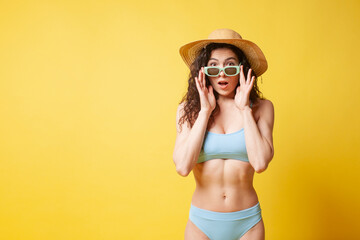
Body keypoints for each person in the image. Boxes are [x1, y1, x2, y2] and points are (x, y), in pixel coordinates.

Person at [173, 28, 275, 240]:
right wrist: (204, 112)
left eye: (230, 66)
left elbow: (260, 163)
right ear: (203, 72)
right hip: (201, 223)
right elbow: (182, 167)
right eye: (213, 67)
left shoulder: (262, 108)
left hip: (248, 223)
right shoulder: (188, 111)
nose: (221, 73)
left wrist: (245, 109)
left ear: (242, 70)